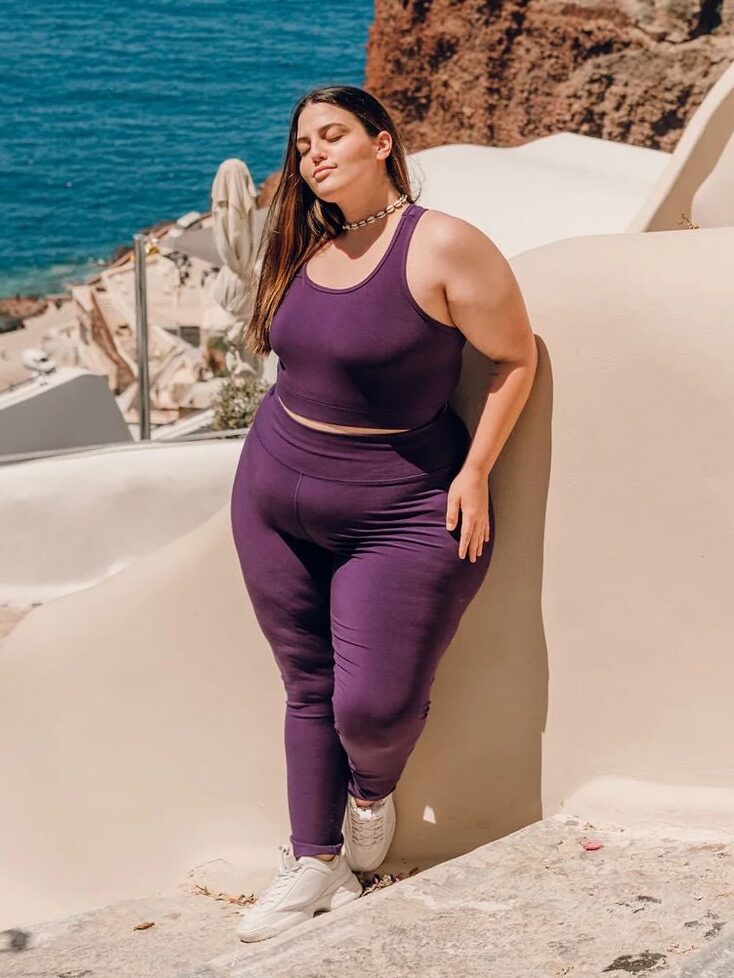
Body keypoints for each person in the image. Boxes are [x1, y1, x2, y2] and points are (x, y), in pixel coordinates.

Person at [229, 84, 537, 943]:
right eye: (301, 145)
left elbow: (516, 357)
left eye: (332, 136)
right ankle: (313, 863)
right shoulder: (303, 241)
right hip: (272, 491)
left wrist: (476, 470)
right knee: (306, 684)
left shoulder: (440, 244)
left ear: (383, 142)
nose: (313, 155)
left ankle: (370, 791)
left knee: (374, 708)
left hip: (400, 507)